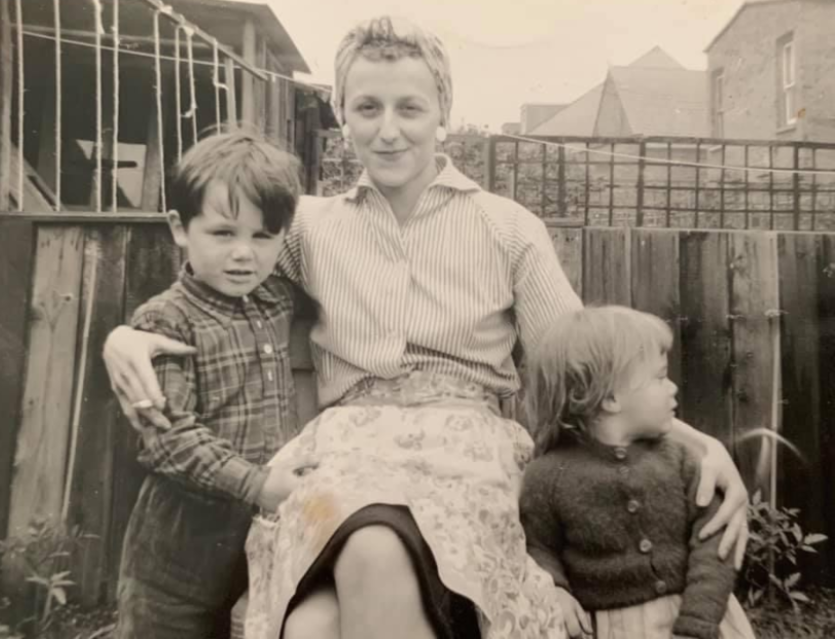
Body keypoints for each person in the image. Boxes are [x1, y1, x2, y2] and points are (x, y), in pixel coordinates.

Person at [103, 16, 750, 639]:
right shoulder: (307, 226)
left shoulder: (505, 226)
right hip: (342, 455)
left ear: (443, 108)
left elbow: (585, 363)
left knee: (374, 555)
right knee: (310, 626)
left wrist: (696, 442)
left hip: (460, 455)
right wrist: (122, 337)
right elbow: (215, 285)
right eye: (367, 108)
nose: (388, 131)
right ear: (340, 113)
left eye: (409, 108)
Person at [113, 130, 314, 639]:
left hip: (257, 545)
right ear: (180, 228)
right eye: (224, 234)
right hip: (178, 554)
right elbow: (168, 439)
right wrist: (260, 485)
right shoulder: (165, 320)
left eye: (263, 236)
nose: (244, 254)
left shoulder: (278, 299)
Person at [520, 306, 755, 639]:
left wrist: (697, 623)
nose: (673, 387)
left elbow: (716, 539)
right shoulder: (547, 477)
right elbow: (538, 546)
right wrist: (555, 589)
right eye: (660, 378)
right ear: (610, 398)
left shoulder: (682, 459)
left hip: (695, 617)